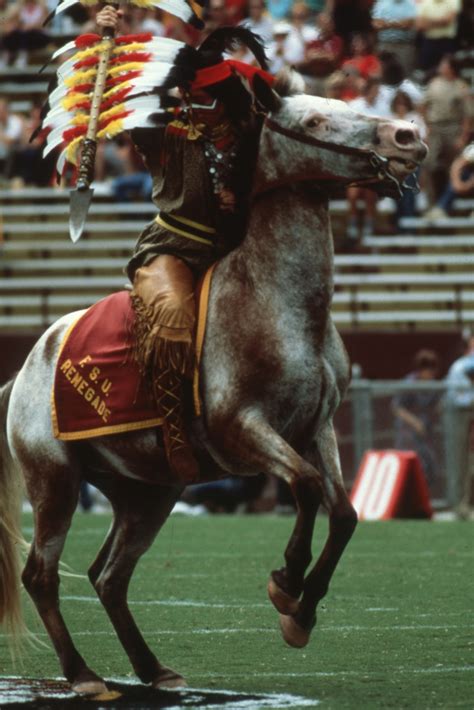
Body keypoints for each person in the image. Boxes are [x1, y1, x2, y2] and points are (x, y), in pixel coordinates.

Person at [95, 5, 272, 482]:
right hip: (171, 245)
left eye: (201, 95)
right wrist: (110, 42)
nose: (190, 102)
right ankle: (174, 432)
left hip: (233, 253)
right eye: (188, 94)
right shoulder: (165, 131)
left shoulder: (250, 140)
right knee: (173, 319)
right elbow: (124, 99)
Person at [420, 54, 471, 214]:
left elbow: (468, 115)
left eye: (444, 64)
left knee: (454, 167)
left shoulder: (461, 86)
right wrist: (426, 126)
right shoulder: (433, 84)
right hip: (435, 128)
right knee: (430, 165)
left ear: (451, 67)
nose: (441, 67)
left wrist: (463, 136)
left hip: (453, 127)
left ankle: (450, 205)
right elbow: (422, 106)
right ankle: (432, 202)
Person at [392, 349, 441, 487]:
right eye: (428, 370)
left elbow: (435, 406)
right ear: (420, 370)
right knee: (410, 468)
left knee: (429, 466)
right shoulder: (409, 383)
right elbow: (397, 408)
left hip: (425, 434)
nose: (431, 374)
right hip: (407, 435)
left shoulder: (432, 385)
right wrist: (415, 422)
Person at [444, 336, 474, 517]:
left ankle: (465, 503)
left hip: (468, 413)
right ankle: (459, 506)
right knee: (459, 460)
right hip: (460, 413)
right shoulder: (460, 366)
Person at [425, 142, 474, 220]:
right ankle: (440, 209)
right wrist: (459, 185)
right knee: (460, 176)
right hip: (468, 185)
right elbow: (458, 165)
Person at [371, 0, 417, 76]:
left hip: (404, 45)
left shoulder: (411, 3)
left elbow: (409, 23)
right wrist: (398, 24)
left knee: (405, 74)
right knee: (382, 74)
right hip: (385, 44)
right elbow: (376, 24)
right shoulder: (381, 3)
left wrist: (386, 24)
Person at [415, 0, 461, 72]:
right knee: (425, 71)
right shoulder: (425, 3)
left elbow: (447, 21)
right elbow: (420, 25)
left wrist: (428, 21)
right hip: (429, 42)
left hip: (447, 43)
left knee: (448, 71)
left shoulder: (454, 1)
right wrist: (441, 21)